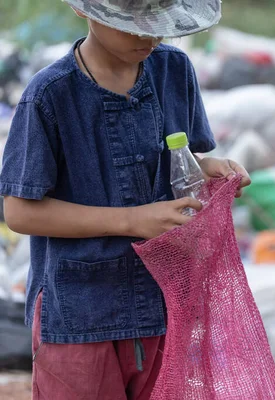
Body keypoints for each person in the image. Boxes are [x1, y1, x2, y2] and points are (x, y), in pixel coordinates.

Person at [0, 1, 251, 399]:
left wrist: (207, 169)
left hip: (163, 300)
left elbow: (176, 159)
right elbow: (19, 211)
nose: (149, 37)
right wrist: (133, 221)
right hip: (80, 314)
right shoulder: (50, 95)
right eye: (133, 25)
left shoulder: (173, 71)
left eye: (158, 24)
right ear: (87, 12)